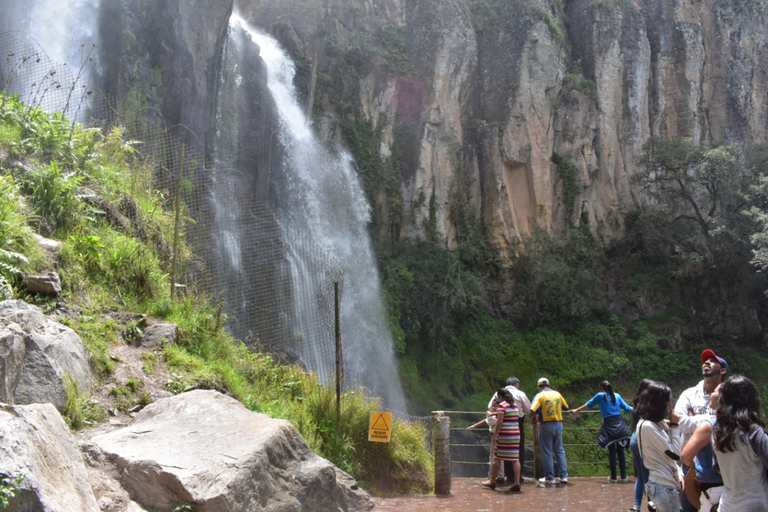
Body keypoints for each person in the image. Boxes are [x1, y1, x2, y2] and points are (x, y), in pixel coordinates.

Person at [673, 348, 728, 512]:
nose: (707, 362)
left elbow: (731, 422)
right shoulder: (689, 394)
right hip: (689, 462)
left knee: (717, 506)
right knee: (686, 508)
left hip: (720, 465)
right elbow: (679, 423)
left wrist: (693, 419)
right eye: (705, 360)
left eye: (712, 361)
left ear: (723, 370)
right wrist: (713, 420)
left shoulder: (728, 395)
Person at [712, 375, 768, 511]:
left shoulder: (716, 431)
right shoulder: (754, 432)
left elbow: (718, 468)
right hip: (755, 505)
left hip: (728, 505)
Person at [570, 380, 632, 483]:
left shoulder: (600, 396)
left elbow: (588, 404)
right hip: (621, 425)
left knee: (612, 451)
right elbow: (627, 408)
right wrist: (640, 411)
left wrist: (576, 410)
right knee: (621, 451)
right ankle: (624, 476)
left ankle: (613, 477)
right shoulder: (617, 395)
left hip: (609, 426)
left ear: (602, 388)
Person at [635, 380, 683, 512]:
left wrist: (679, 473)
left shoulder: (650, 423)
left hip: (661, 484)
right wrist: (675, 426)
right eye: (669, 401)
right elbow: (675, 454)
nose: (670, 404)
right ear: (660, 403)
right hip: (663, 486)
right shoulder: (648, 426)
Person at [680, 383, 723, 512]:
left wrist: (695, 468)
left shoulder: (709, 426)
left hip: (711, 485)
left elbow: (686, 456)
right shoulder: (745, 424)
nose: (712, 394)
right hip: (737, 487)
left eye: (715, 392)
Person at [487, 376, 531, 483]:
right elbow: (528, 409)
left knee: (500, 454)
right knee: (517, 453)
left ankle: (503, 477)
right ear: (516, 384)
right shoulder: (518, 398)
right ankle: (517, 479)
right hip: (516, 425)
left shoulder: (501, 402)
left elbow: (490, 407)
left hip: (503, 427)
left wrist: (496, 433)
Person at [481, 389, 522, 492]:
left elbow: (499, 421)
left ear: (500, 396)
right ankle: (516, 482)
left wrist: (495, 435)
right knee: (515, 459)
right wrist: (494, 413)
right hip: (515, 435)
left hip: (505, 435)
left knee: (497, 458)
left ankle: (492, 481)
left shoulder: (502, 406)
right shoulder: (514, 406)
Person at [531, 377, 569, 486]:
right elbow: (566, 407)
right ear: (548, 385)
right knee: (559, 450)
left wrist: (534, 419)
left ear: (539, 387)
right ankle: (563, 476)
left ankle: (550, 478)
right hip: (558, 424)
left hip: (546, 425)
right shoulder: (557, 394)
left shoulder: (540, 395)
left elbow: (532, 409)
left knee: (547, 452)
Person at [629, 379, 653, 512]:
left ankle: (636, 506)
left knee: (641, 476)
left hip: (634, 439)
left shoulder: (637, 404)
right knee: (648, 477)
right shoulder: (647, 406)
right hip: (642, 441)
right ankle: (652, 505)